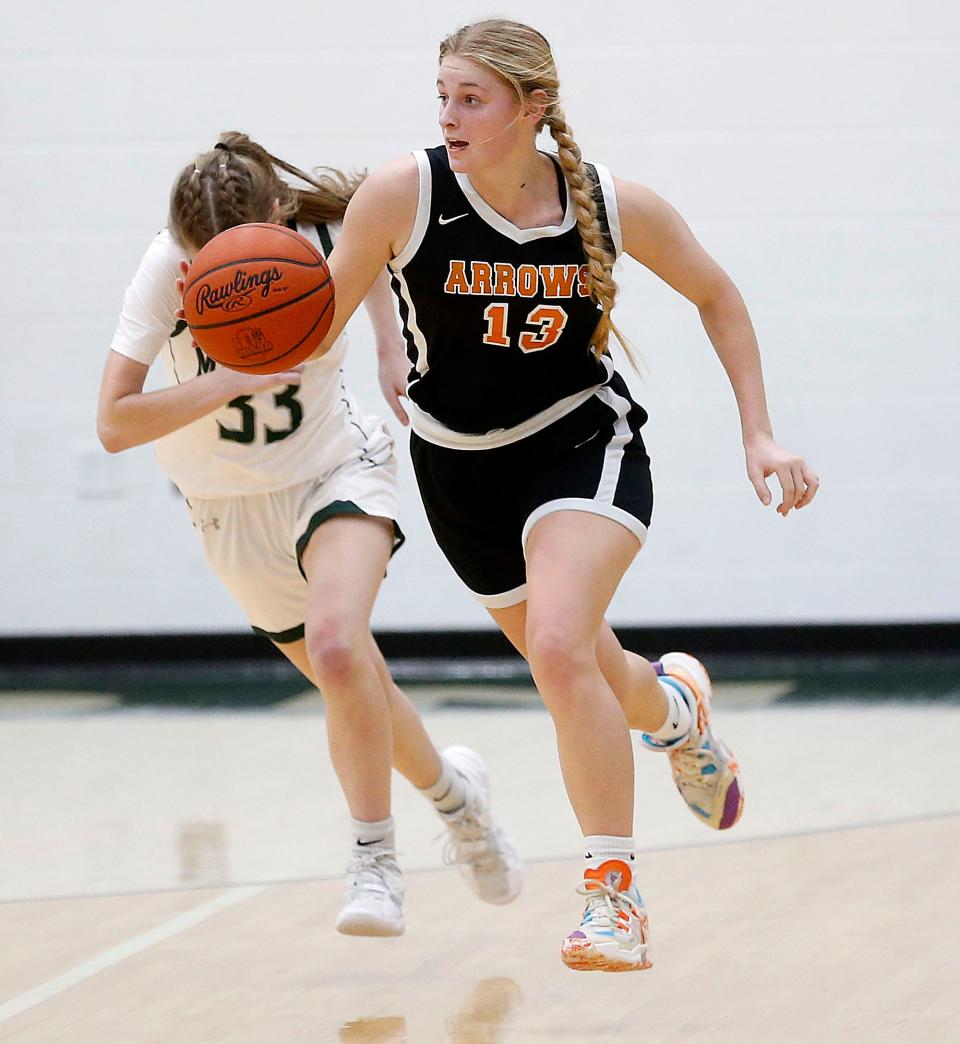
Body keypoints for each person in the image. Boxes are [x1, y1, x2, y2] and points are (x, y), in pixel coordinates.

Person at [301, 20, 820, 972]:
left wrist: (758, 431)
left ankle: (613, 898)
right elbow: (316, 322)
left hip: (583, 443)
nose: (450, 116)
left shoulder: (610, 205)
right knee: (580, 662)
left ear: (533, 108)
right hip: (458, 468)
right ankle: (675, 715)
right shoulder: (403, 192)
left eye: (473, 99)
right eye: (443, 97)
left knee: (554, 644)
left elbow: (720, 296)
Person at [97, 131, 522, 939]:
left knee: (337, 646)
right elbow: (114, 423)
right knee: (353, 680)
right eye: (202, 257)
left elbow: (383, 237)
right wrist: (231, 377)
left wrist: (392, 341)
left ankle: (375, 862)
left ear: (279, 219)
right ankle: (458, 802)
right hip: (227, 505)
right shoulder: (164, 270)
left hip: (337, 464)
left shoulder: (325, 234)